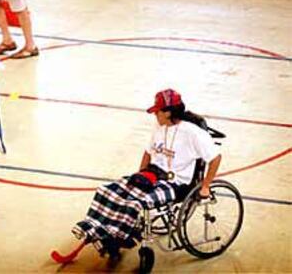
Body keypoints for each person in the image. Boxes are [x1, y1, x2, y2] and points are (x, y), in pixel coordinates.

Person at [72, 88, 222, 258]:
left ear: (168, 112)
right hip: (152, 175)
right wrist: (140, 174)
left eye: (157, 111)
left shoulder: (193, 133)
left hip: (175, 183)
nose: (155, 114)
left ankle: (121, 236)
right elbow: (148, 152)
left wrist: (205, 186)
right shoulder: (159, 127)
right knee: (107, 191)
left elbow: (215, 158)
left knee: (135, 203)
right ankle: (102, 232)